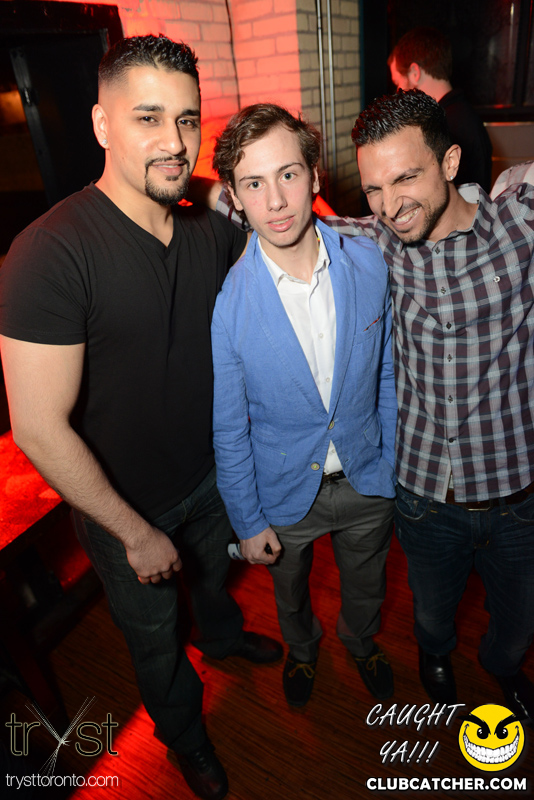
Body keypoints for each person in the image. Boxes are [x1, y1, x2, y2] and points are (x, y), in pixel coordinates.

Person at [0, 35, 283, 800]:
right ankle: (185, 737)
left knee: (217, 582)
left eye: (186, 120)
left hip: (212, 477)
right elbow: (38, 428)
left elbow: (284, 232)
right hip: (127, 509)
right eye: (148, 118)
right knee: (156, 640)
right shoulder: (49, 254)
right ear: (102, 124)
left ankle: (223, 639)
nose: (174, 141)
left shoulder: (206, 228)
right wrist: (133, 532)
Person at [210, 104, 398, 709]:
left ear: (314, 175)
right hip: (284, 494)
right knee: (288, 592)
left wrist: (392, 460)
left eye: (288, 174)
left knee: (367, 583)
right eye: (253, 183)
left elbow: (387, 371)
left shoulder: (367, 263)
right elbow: (229, 429)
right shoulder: (229, 306)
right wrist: (247, 522)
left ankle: (361, 641)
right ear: (234, 197)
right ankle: (303, 649)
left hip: (368, 478)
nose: (275, 201)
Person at [388, 27, 493, 192]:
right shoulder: (462, 114)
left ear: (415, 73)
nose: (397, 91)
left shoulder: (447, 125)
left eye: (397, 82)